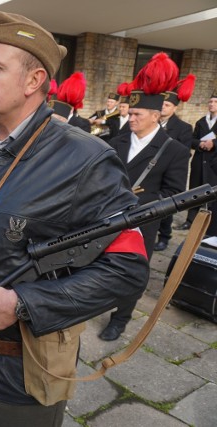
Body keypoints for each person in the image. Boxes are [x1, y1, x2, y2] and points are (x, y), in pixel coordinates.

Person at [0, 12, 150, 427]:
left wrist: (23, 303)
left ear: (33, 81)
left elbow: (126, 271)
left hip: (18, 375)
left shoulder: (85, 159)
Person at [100, 52, 189, 341]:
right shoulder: (117, 141)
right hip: (108, 217)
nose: (131, 117)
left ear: (155, 115)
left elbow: (174, 193)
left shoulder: (173, 150)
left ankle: (120, 318)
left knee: (132, 272)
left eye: (137, 114)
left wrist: (139, 204)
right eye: (131, 113)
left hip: (142, 225)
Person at [153, 76, 196, 251]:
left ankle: (164, 236)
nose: (163, 106)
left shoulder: (183, 127)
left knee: (166, 207)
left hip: (169, 172)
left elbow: (184, 152)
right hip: (150, 169)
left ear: (175, 107)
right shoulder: (152, 121)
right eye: (162, 103)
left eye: (168, 105)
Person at [175, 90, 217, 231]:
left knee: (211, 193)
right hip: (199, 161)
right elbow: (191, 140)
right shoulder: (201, 121)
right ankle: (190, 220)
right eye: (210, 102)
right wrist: (199, 144)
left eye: (215, 102)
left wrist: (214, 143)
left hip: (213, 163)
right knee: (195, 192)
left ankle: (209, 224)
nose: (212, 104)